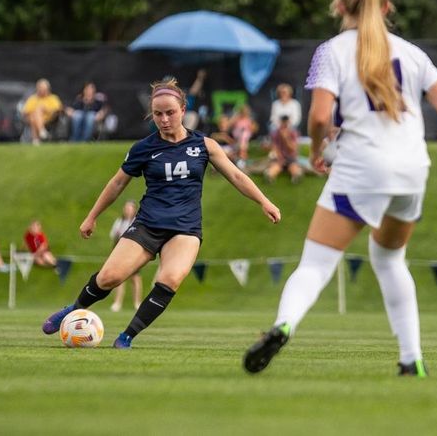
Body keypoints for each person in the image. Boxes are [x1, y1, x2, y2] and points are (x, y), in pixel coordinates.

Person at [242, 0, 437, 378]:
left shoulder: (332, 51)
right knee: (390, 260)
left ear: (339, 7)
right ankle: (410, 358)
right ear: (386, 8)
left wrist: (317, 151)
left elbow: (317, 116)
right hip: (413, 170)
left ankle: (283, 325)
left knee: (316, 263)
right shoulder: (412, 53)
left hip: (363, 166)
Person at [41, 77, 280, 349]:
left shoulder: (204, 145)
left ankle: (126, 337)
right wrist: (92, 216)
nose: (164, 119)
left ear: (183, 109)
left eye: (170, 112)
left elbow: (237, 175)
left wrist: (264, 201)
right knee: (109, 277)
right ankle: (72, 309)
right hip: (147, 224)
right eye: (158, 114)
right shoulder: (144, 148)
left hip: (185, 228)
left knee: (170, 279)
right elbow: (117, 183)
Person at [108, 200, 143, 312]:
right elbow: (114, 237)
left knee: (135, 278)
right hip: (120, 253)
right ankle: (117, 303)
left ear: (134, 210)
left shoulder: (137, 222)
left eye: (130, 208)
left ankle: (137, 302)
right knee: (119, 278)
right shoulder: (119, 222)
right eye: (126, 208)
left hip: (134, 253)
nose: (128, 210)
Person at [22, 78, 63, 145]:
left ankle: (36, 139)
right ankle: (42, 132)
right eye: (40, 89)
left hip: (50, 119)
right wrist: (37, 112)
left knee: (36, 112)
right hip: (32, 119)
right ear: (37, 89)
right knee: (33, 116)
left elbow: (59, 110)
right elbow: (25, 111)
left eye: (44, 89)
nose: (42, 91)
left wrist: (45, 110)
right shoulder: (32, 98)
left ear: (48, 89)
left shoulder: (53, 98)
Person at [264, 115, 304, 184]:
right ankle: (270, 176)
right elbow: (274, 147)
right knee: (275, 167)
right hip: (279, 157)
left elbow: (293, 149)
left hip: (290, 157)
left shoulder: (293, 133)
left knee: (293, 167)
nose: (284, 125)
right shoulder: (275, 133)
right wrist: (280, 157)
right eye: (283, 122)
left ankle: (296, 176)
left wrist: (286, 138)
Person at [230, 104, 257, 169]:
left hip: (244, 139)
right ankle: (243, 161)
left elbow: (253, 130)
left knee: (244, 136)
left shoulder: (249, 120)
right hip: (237, 137)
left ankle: (242, 161)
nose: (244, 113)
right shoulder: (237, 119)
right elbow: (230, 125)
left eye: (246, 112)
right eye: (243, 112)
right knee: (243, 141)